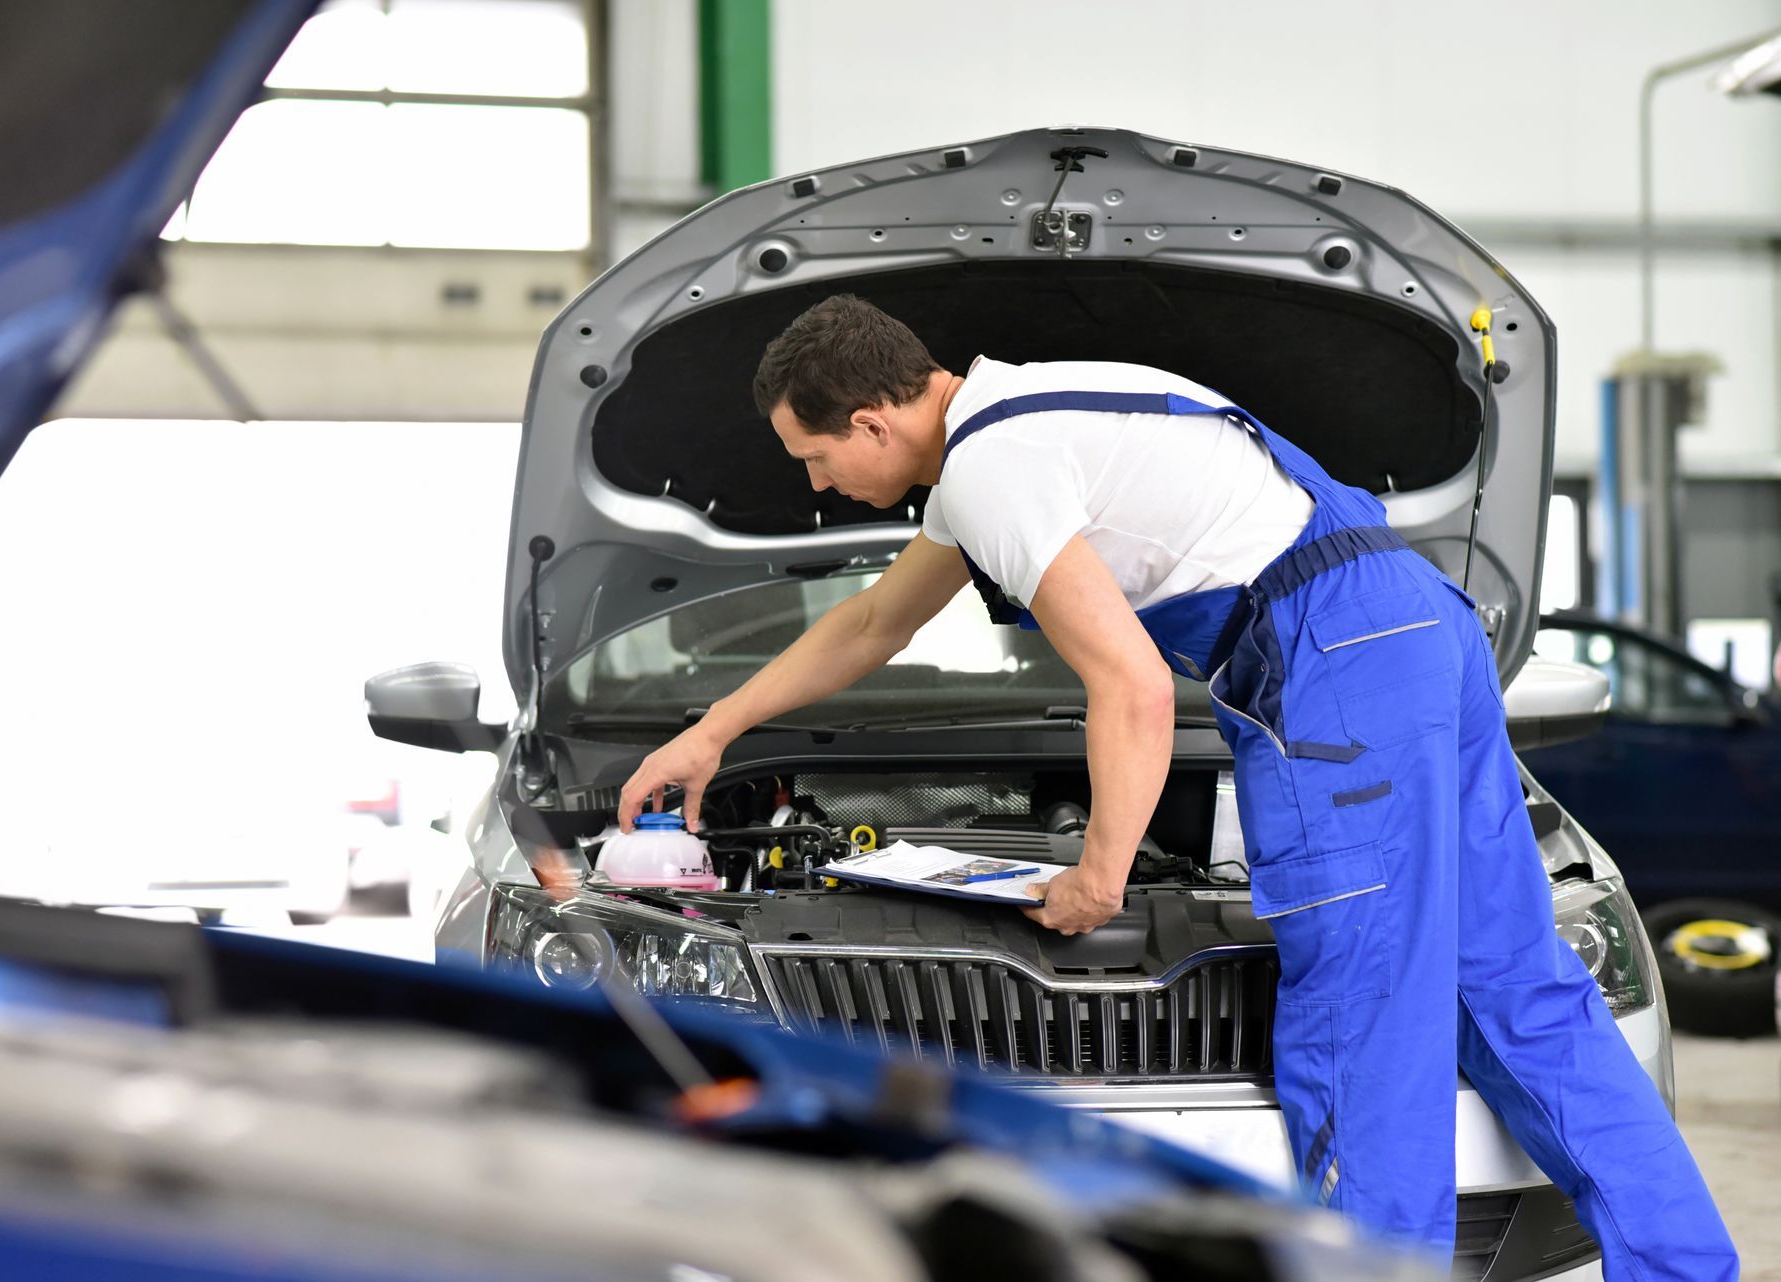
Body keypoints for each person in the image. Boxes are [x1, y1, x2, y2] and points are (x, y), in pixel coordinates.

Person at [616, 295, 1736, 1276]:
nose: (816, 484)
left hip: (1337, 662)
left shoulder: (992, 466)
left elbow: (1138, 687)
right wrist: (713, 730)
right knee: (1517, 993)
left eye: (813, 460)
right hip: (1414, 623)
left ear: (871, 420)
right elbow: (871, 621)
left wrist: (1099, 876)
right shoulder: (1027, 415)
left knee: (1364, 1022)